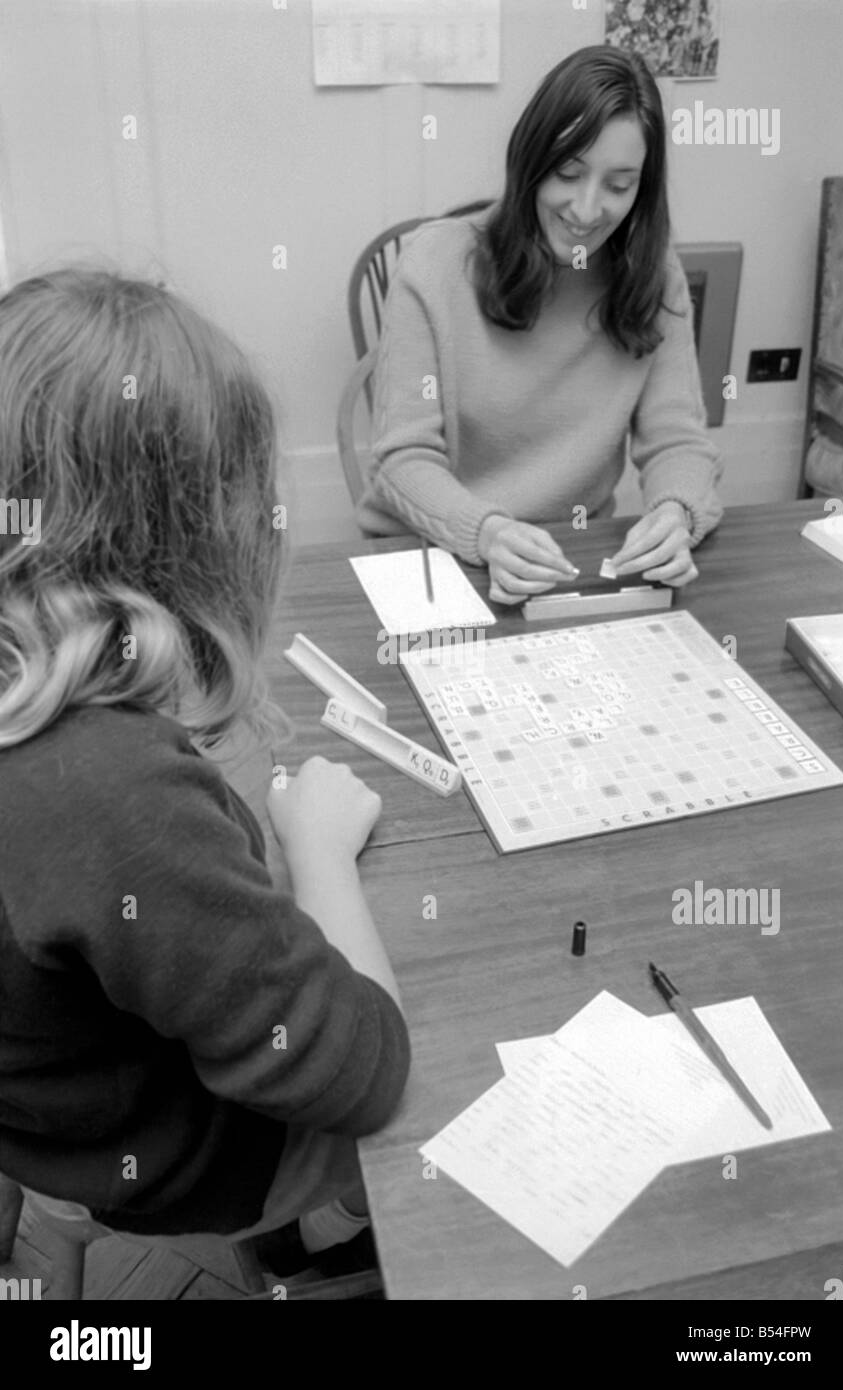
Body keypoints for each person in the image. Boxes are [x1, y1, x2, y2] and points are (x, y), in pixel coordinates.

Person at [0, 269, 409, 1267]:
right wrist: (319, 851)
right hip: (175, 1158)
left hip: (49, 1110)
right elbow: (364, 1068)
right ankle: (329, 1222)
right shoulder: (111, 789)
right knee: (429, 1078)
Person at [356, 45, 722, 604]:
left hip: (566, 559)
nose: (586, 208)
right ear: (529, 162)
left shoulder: (655, 277)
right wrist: (488, 532)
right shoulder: (434, 265)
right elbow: (402, 459)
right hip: (432, 558)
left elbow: (678, 439)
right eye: (568, 173)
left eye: (620, 185)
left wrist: (676, 512)